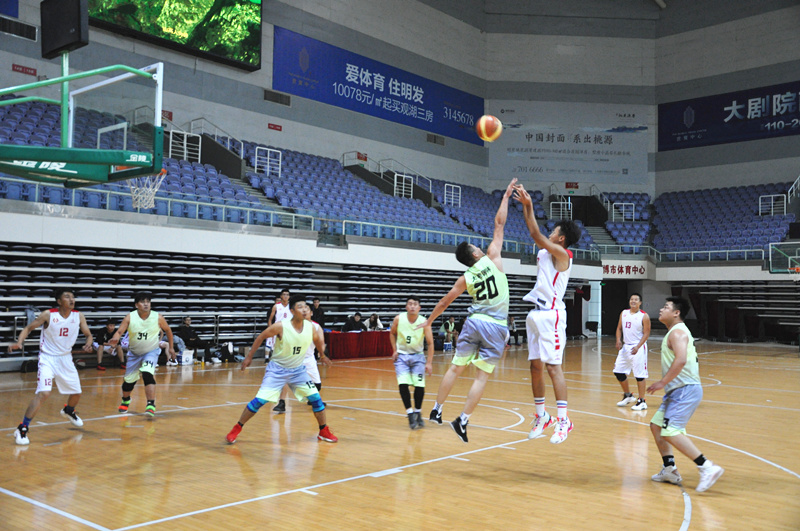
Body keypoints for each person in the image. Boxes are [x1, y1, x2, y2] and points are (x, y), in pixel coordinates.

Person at [421, 178, 517, 443]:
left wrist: (429, 321)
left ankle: (436, 410)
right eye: (475, 247)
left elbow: (444, 302)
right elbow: (499, 224)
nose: (478, 246)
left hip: (473, 322)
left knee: (455, 368)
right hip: (495, 326)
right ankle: (462, 420)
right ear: (475, 254)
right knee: (481, 377)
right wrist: (505, 197)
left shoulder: (465, 278)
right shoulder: (492, 257)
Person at [515, 184, 581, 445]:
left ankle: (564, 420)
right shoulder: (546, 252)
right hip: (536, 314)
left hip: (552, 316)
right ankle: (542, 416)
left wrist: (529, 205)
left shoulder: (563, 255)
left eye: (554, 231)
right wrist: (526, 207)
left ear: (561, 238)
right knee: (535, 367)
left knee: (554, 367)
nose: (550, 233)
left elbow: (534, 233)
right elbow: (536, 234)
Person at [226, 295, 338, 444]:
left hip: (298, 371)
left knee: (316, 399)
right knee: (259, 401)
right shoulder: (281, 326)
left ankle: (323, 430)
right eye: (300, 307)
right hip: (277, 370)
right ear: (292, 311)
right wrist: (249, 357)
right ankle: (237, 427)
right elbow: (261, 337)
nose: (304, 309)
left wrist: (322, 355)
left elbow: (317, 340)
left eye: (306, 306)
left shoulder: (310, 327)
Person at [648, 297, 724, 492]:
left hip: (685, 389)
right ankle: (670, 469)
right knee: (657, 426)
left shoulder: (678, 332)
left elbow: (681, 360)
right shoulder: (675, 331)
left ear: (676, 313)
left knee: (671, 431)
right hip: (677, 390)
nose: (661, 309)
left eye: (666, 307)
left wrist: (662, 382)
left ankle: (706, 467)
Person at [9, 288, 93, 445]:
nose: (72, 299)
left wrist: (88, 343)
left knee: (77, 393)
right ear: (59, 301)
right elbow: (28, 328)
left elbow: (88, 334)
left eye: (73, 297)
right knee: (44, 393)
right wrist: (19, 342)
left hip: (66, 358)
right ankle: (22, 428)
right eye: (67, 297)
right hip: (47, 358)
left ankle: (68, 410)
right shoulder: (48, 315)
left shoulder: (78, 316)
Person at [108, 292, 175, 417]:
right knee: (129, 382)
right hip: (134, 353)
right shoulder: (130, 317)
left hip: (150, 351)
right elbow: (120, 332)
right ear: (136, 305)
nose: (146, 304)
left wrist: (171, 348)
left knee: (147, 373)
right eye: (142, 302)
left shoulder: (158, 317)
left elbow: (168, 330)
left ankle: (151, 404)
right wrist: (115, 340)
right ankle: (126, 400)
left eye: (148, 302)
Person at [274, 304, 334, 414]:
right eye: (302, 310)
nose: (304, 312)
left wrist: (322, 355)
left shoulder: (316, 327)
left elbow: (321, 343)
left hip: (309, 358)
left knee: (317, 385)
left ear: (311, 313)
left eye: (307, 310)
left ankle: (311, 399)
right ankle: (281, 403)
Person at [390, 296, 434, 429]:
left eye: (415, 304)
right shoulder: (399, 319)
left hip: (418, 357)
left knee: (419, 386)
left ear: (419, 308)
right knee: (403, 385)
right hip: (402, 357)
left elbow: (430, 343)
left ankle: (418, 412)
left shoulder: (424, 322)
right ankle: (410, 413)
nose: (412, 306)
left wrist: (429, 363)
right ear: (406, 307)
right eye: (410, 304)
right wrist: (394, 350)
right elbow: (392, 333)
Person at [614, 293, 651, 410]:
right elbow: (619, 328)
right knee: (618, 372)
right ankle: (628, 395)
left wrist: (638, 346)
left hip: (638, 347)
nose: (633, 301)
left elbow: (646, 333)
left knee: (639, 375)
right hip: (626, 347)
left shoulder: (644, 316)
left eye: (636, 300)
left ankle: (642, 401)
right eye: (631, 299)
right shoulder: (624, 313)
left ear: (640, 303)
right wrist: (618, 340)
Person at [266, 289, 291, 358]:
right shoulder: (276, 306)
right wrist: (270, 329)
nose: (285, 296)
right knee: (276, 349)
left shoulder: (292, 306)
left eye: (287, 295)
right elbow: (270, 319)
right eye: (284, 294)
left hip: (288, 330)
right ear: (281, 296)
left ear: (289, 296)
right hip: (278, 329)